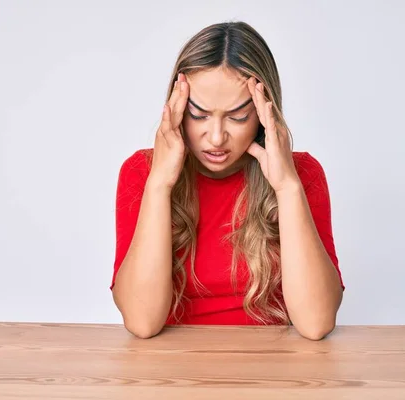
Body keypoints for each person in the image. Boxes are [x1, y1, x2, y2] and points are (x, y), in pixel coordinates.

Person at [110, 21, 344, 340]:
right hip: (172, 375)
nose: (217, 137)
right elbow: (142, 322)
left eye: (237, 117)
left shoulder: (302, 174)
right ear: (176, 109)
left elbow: (316, 324)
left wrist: (287, 188)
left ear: (264, 114)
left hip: (273, 373)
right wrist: (160, 184)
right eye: (199, 115)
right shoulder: (142, 172)